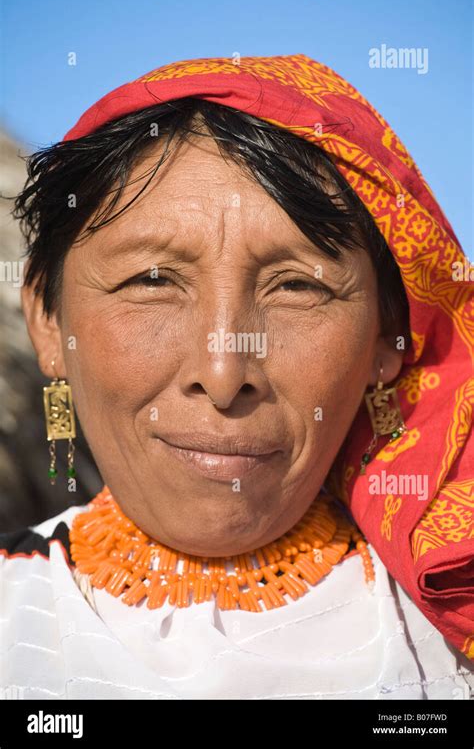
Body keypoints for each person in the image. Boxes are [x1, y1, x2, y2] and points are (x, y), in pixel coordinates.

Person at [1, 53, 472, 700]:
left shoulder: (451, 637)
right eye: (153, 281)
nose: (223, 376)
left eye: (298, 287)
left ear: (389, 340)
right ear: (50, 322)